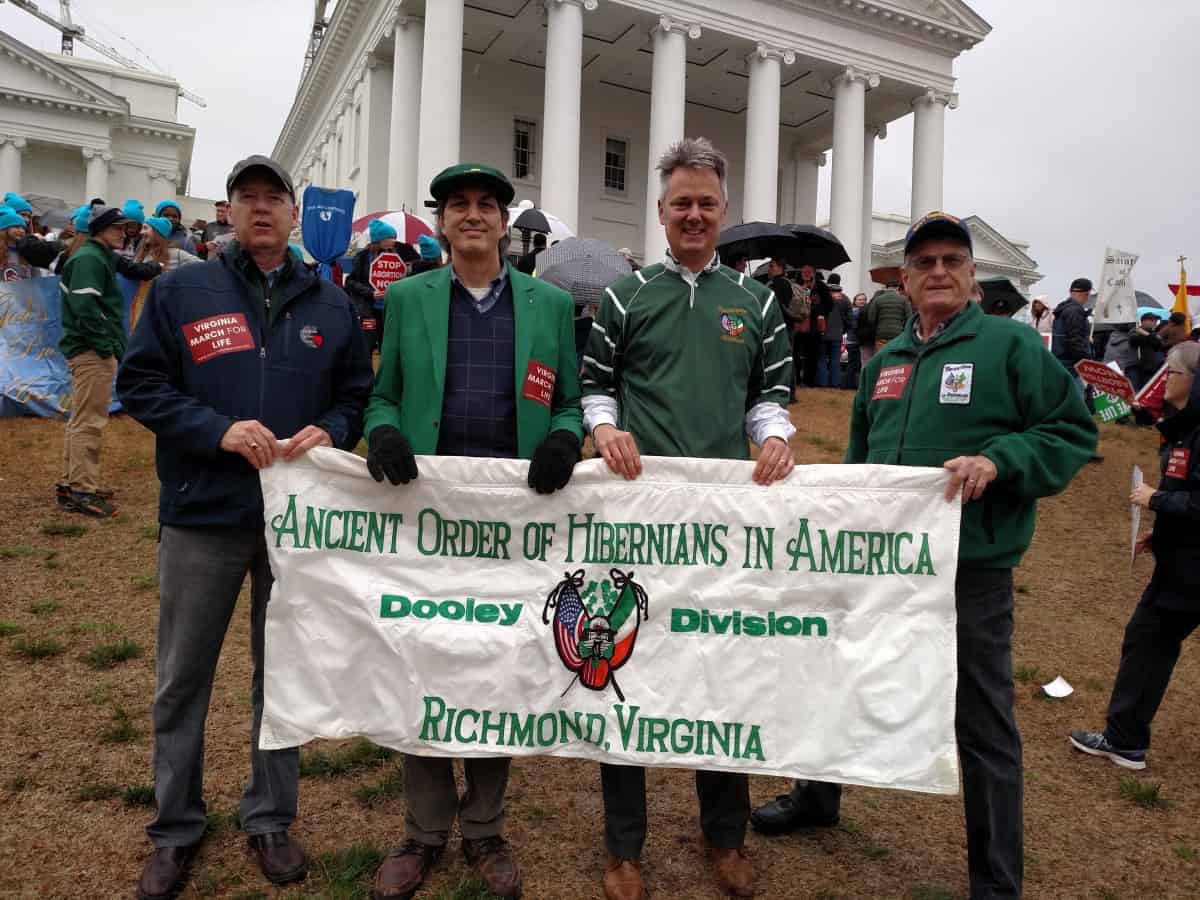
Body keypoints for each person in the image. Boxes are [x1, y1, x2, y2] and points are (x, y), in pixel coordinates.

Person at [750, 211, 1097, 900]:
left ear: (971, 276)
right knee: (841, 678)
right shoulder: (884, 364)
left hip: (971, 570)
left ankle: (996, 880)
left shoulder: (1009, 348)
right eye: (925, 263)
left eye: (952, 261)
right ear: (904, 281)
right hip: (880, 566)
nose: (939, 272)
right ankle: (818, 797)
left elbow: (1071, 430)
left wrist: (1001, 460)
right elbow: (858, 468)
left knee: (982, 720)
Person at [116, 154, 373, 900]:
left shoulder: (331, 306)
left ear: (295, 216)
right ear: (227, 212)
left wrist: (331, 430)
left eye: (274, 198)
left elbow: (355, 396)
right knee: (181, 678)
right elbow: (140, 386)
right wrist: (217, 430)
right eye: (246, 197)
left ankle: (269, 817)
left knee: (282, 675)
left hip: (292, 526)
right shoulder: (181, 289)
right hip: (202, 513)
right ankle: (174, 828)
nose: (261, 209)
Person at [581, 137, 795, 900]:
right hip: (635, 520)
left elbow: (771, 396)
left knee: (720, 676)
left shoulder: (759, 303)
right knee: (621, 671)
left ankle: (726, 834)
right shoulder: (624, 297)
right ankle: (623, 849)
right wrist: (605, 429)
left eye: (707, 203)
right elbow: (596, 384)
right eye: (682, 204)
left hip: (723, 524)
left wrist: (771, 437)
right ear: (661, 211)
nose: (694, 215)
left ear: (724, 211)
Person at [364, 162, 582, 900]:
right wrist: (385, 431)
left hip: (513, 524)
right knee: (422, 660)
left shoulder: (549, 306)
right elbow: (383, 394)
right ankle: (423, 832)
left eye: (487, 204)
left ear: (503, 219)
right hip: (428, 520)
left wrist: (564, 439)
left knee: (498, 666)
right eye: (458, 205)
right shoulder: (409, 298)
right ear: (444, 220)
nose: (473, 215)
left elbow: (571, 404)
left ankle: (485, 827)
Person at [1070, 342, 1200, 769]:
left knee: (1147, 642)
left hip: (1189, 571)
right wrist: (1161, 537)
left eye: (1173, 374)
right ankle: (1126, 738)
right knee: (1152, 642)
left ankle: (1124, 740)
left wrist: (1155, 500)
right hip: (1181, 560)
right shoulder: (1186, 428)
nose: (1165, 381)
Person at [55, 206, 133, 516]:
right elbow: (86, 309)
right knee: (89, 421)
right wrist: (106, 346)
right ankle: (81, 491)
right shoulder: (89, 258)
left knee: (81, 420)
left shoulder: (95, 256)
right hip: (90, 351)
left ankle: (71, 484)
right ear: (100, 229)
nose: (123, 233)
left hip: (87, 349)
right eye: (116, 227)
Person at [344, 218, 404, 351]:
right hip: (368, 311)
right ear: (379, 239)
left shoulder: (397, 256)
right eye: (391, 237)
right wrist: (371, 293)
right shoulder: (362, 257)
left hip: (389, 311)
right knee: (366, 346)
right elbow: (350, 282)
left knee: (388, 348)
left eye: (395, 237)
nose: (394, 241)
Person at [1052, 277, 1093, 396]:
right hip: (1071, 362)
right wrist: (1085, 359)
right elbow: (1075, 339)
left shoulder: (1062, 309)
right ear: (1086, 293)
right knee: (1077, 398)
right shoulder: (1075, 311)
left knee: (1064, 395)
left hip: (1060, 358)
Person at [765, 259, 795, 399]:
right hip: (787, 325)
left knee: (783, 358)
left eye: (772, 266)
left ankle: (788, 391)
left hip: (782, 326)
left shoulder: (779, 284)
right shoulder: (783, 282)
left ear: (780, 268)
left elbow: (774, 306)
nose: (769, 269)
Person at [796, 264, 831, 386]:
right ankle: (796, 379)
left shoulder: (821, 286)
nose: (805, 273)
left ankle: (809, 381)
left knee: (812, 355)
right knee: (796, 353)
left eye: (808, 271)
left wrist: (817, 304)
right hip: (798, 325)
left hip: (814, 326)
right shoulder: (796, 285)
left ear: (814, 273)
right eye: (803, 271)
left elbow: (829, 305)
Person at [862, 277, 911, 355]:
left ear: (886, 287)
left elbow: (871, 319)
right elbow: (909, 318)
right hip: (898, 334)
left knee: (881, 356)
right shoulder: (904, 300)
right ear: (897, 288)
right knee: (895, 357)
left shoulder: (877, 299)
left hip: (881, 334)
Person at [817, 278, 852, 387]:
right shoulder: (845, 299)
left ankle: (822, 383)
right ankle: (835, 383)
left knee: (821, 359)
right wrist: (843, 329)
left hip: (822, 332)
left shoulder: (822, 297)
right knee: (835, 360)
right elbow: (849, 318)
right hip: (837, 334)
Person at [842, 291, 868, 389]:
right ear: (855, 301)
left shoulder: (862, 311)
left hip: (854, 341)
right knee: (853, 364)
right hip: (853, 341)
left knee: (855, 363)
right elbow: (854, 326)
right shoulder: (855, 312)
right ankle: (848, 385)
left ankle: (850, 384)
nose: (862, 301)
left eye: (864, 299)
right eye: (860, 300)